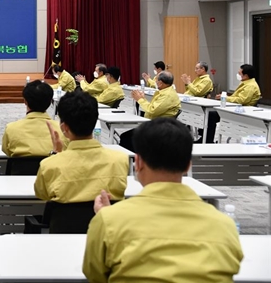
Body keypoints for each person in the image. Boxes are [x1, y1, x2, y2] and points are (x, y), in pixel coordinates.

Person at [83, 119, 243, 282]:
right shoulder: (225, 227)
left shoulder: (108, 220)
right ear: (188, 166)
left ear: (137, 163)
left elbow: (95, 274)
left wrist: (108, 217)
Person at [34, 91, 128, 203]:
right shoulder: (121, 160)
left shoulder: (49, 165)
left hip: (65, 220)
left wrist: (56, 154)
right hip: (107, 220)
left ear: (64, 127)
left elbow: (42, 195)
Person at [2, 80, 67, 157]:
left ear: (25, 101)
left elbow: (7, 151)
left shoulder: (11, 128)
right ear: (50, 102)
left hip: (22, 169)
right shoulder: (63, 130)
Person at [204, 64, 261, 143]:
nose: (238, 75)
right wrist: (224, 97)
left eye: (239, 73)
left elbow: (241, 100)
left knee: (211, 115)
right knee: (209, 114)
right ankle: (206, 139)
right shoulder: (245, 83)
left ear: (246, 75)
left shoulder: (250, 86)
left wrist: (225, 98)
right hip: (236, 109)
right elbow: (237, 97)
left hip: (242, 112)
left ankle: (208, 141)